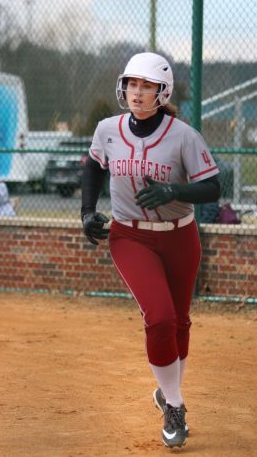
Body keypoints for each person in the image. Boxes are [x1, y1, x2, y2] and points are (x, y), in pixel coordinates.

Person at [81, 52, 220, 448]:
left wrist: (175, 190)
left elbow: (212, 187)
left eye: (147, 86)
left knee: (179, 321)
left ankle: (167, 392)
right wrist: (87, 211)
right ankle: (174, 405)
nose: (137, 92)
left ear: (163, 92)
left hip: (180, 235)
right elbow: (92, 167)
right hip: (131, 237)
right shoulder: (108, 129)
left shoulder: (183, 135)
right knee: (158, 317)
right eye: (131, 84)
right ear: (123, 88)